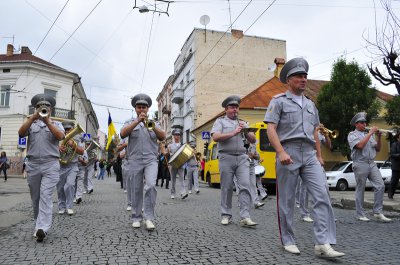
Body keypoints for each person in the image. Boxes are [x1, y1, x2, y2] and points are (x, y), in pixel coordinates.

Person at [264, 58, 344, 258]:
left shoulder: (310, 104)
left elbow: (315, 131)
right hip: (288, 151)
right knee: (287, 200)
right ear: (289, 79)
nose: (303, 79)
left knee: (322, 195)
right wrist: (281, 151)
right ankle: (288, 240)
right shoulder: (278, 101)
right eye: (299, 76)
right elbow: (270, 128)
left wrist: (319, 155)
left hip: (309, 154)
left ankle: (322, 243)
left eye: (305, 76)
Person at [18, 93, 65, 242]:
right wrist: (32, 118)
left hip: (50, 164)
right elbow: (20, 133)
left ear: (50, 109)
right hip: (33, 165)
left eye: (45, 107)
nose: (42, 109)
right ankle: (38, 224)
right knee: (36, 198)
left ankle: (42, 228)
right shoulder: (30, 123)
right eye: (39, 107)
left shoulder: (56, 124)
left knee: (45, 195)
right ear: (35, 108)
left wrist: (48, 122)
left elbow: (60, 137)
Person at [120, 93, 166, 230]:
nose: (141, 110)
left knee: (151, 185)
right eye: (139, 107)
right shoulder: (129, 123)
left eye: (144, 107)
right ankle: (136, 217)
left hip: (151, 159)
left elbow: (162, 136)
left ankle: (149, 218)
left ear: (148, 109)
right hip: (134, 159)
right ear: (135, 109)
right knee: (135, 189)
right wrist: (137, 122)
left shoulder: (153, 123)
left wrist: (149, 125)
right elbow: (122, 134)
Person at [211, 95, 258, 227]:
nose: (235, 110)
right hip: (226, 157)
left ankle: (245, 216)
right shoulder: (220, 122)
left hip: (242, 157)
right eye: (232, 107)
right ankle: (226, 215)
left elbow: (253, 140)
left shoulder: (242, 122)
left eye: (236, 107)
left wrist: (246, 131)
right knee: (227, 187)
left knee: (245, 186)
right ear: (226, 109)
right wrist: (233, 132)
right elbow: (215, 137)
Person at [347, 112, 391, 222]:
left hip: (371, 163)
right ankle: (360, 214)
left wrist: (379, 137)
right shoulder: (352, 135)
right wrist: (370, 133)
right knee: (360, 189)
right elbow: (360, 146)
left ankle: (377, 212)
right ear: (356, 124)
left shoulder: (369, 135)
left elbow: (378, 149)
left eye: (365, 122)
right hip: (360, 163)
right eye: (362, 122)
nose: (364, 124)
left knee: (380, 186)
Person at [295, 124, 332, 223]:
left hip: (318, 163)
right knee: (305, 189)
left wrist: (327, 135)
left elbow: (329, 146)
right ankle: (304, 214)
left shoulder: (320, 133)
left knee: (325, 188)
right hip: (307, 161)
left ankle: (326, 214)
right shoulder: (306, 130)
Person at [57, 121, 85, 216]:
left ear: (72, 129)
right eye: (65, 129)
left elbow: (81, 152)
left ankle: (69, 207)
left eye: (69, 129)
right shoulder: (58, 137)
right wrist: (59, 149)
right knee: (60, 188)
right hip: (61, 166)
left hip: (72, 166)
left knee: (69, 185)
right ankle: (61, 206)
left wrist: (73, 146)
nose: (67, 131)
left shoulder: (77, 138)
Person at [168, 129, 188, 199]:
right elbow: (168, 154)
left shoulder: (183, 145)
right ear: (173, 136)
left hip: (181, 164)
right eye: (176, 135)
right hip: (173, 165)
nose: (177, 136)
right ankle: (173, 193)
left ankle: (183, 193)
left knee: (182, 179)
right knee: (173, 179)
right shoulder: (170, 145)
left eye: (178, 135)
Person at [247, 143, 266, 209]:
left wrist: (256, 157)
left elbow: (256, 157)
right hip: (243, 166)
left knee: (254, 184)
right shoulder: (243, 142)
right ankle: (243, 202)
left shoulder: (253, 145)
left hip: (252, 166)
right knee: (244, 185)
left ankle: (256, 202)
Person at [388, 132, 400, 199]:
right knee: (394, 182)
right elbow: (392, 155)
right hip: (396, 167)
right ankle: (390, 194)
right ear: (398, 138)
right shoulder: (394, 144)